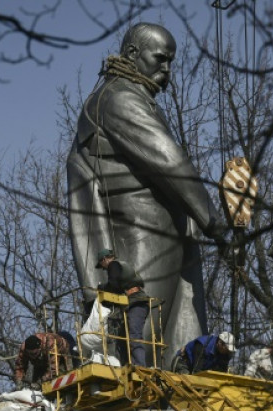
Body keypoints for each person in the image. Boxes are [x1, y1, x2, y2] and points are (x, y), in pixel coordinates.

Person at [66, 22, 228, 369]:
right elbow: (170, 162)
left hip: (163, 232)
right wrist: (214, 222)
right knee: (141, 340)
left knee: (172, 347)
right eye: (160, 58)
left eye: (171, 61)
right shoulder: (120, 99)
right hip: (142, 232)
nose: (167, 69)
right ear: (132, 54)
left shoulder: (132, 98)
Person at [95, 248, 150, 367]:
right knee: (124, 337)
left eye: (102, 266)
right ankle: (129, 364)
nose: (104, 269)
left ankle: (139, 365)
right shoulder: (122, 266)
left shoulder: (113, 265)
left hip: (136, 301)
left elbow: (113, 285)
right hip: (132, 302)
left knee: (134, 334)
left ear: (104, 260)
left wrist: (102, 288)